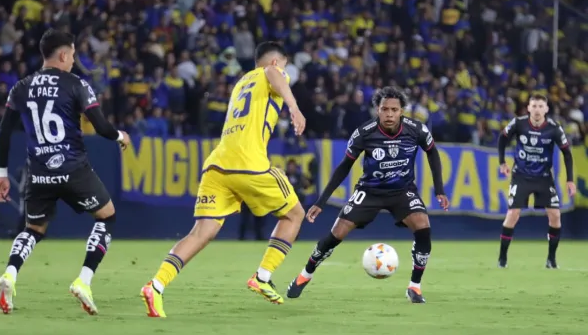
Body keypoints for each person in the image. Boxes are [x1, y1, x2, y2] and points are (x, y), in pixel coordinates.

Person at [140, 41, 307, 317]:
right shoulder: (273, 72)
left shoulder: (241, 83)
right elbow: (274, 74)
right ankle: (262, 276)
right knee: (294, 214)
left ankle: (156, 285)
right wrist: (294, 107)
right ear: (277, 62)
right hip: (249, 163)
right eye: (284, 66)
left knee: (202, 232)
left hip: (218, 164)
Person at [0, 29, 130, 315]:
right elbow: (102, 127)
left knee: (33, 229)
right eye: (73, 55)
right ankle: (84, 280)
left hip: (39, 173)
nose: (73, 61)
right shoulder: (76, 84)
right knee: (107, 216)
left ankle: (9, 275)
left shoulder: (21, 86)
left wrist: (2, 174)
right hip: (73, 168)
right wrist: (120, 136)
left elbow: (4, 133)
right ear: (64, 55)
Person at [286, 86, 449, 304]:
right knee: (336, 234)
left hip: (402, 191)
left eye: (394, 109)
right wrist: (321, 201)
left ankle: (415, 287)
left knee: (423, 227)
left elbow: (433, 153)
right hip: (369, 191)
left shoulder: (416, 130)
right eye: (384, 109)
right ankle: (304, 276)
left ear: (402, 111)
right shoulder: (365, 133)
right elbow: (344, 166)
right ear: (377, 111)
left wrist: (439, 189)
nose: (389, 114)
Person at [497, 94, 575, 269]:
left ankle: (551, 259)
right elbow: (502, 138)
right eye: (534, 106)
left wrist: (570, 180)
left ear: (546, 109)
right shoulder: (518, 123)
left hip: (544, 178)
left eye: (541, 106)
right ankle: (502, 258)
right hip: (521, 176)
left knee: (555, 216)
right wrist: (502, 162)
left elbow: (567, 153)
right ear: (528, 108)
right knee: (512, 215)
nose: (537, 109)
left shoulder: (554, 128)